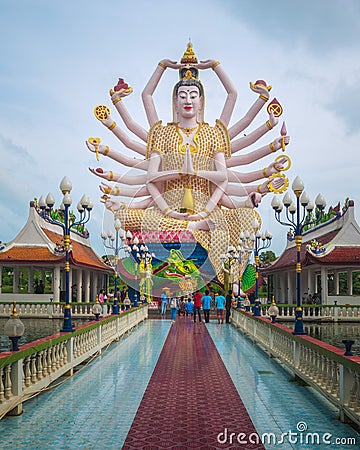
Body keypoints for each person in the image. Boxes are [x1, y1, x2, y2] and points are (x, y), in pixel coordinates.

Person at [87, 42, 290, 287]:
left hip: (208, 207)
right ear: (174, 101)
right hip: (164, 210)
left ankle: (230, 281)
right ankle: (194, 231)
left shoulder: (213, 133)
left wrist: (213, 65)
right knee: (126, 216)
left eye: (194, 95)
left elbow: (223, 177)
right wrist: (163, 66)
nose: (188, 100)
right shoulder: (161, 133)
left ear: (202, 102)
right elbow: (151, 178)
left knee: (248, 219)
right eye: (182, 95)